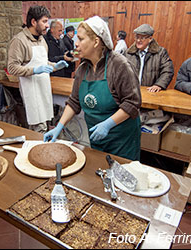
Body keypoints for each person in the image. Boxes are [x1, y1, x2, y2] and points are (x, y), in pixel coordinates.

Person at [43, 16, 142, 161]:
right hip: (97, 140)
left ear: (96, 42)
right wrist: (59, 126)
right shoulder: (83, 69)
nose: (76, 44)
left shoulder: (119, 66)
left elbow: (132, 103)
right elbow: (74, 102)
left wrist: (108, 124)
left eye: (81, 39)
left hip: (121, 141)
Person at [7, 6, 68, 133]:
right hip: (31, 92)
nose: (47, 25)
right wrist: (33, 70)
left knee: (46, 125)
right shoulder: (19, 41)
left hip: (44, 89)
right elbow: (12, 68)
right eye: (44, 21)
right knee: (38, 130)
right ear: (34, 22)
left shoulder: (41, 40)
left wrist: (54, 66)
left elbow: (43, 63)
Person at [124, 24, 174, 93]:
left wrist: (159, 85)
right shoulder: (128, 53)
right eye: (137, 37)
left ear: (150, 39)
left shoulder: (160, 53)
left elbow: (167, 71)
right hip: (130, 92)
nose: (138, 40)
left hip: (150, 92)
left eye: (142, 38)